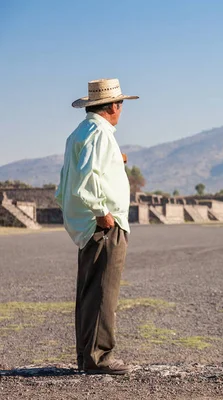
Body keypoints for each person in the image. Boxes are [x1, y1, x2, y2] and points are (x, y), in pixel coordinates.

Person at [55, 78, 138, 375]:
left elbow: (71, 176)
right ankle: (99, 358)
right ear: (114, 106)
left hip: (88, 224)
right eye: (121, 105)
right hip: (103, 224)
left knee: (91, 291)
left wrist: (119, 159)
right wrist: (102, 212)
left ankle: (87, 356)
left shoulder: (82, 132)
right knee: (104, 291)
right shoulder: (101, 133)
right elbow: (88, 175)